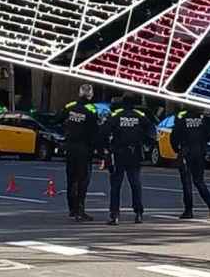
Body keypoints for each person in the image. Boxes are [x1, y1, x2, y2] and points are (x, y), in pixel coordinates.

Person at [104, 93, 154, 225]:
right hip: (135, 153)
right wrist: (145, 142)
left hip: (118, 153)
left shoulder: (116, 115)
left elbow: (104, 131)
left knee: (116, 185)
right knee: (135, 184)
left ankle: (114, 215)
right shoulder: (140, 115)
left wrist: (106, 149)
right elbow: (151, 130)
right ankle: (138, 214)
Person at [60, 83, 99, 222]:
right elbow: (95, 131)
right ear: (90, 95)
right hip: (84, 149)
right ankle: (80, 210)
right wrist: (98, 150)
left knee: (71, 179)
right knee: (83, 180)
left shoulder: (70, 106)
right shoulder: (92, 110)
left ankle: (72, 209)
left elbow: (58, 119)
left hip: (70, 147)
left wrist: (66, 132)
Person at [170, 107, 210, 219]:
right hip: (199, 152)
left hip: (186, 152)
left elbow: (174, 136)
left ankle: (188, 210)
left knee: (187, 183)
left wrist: (177, 150)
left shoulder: (181, 117)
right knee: (199, 181)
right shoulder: (202, 118)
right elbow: (209, 134)